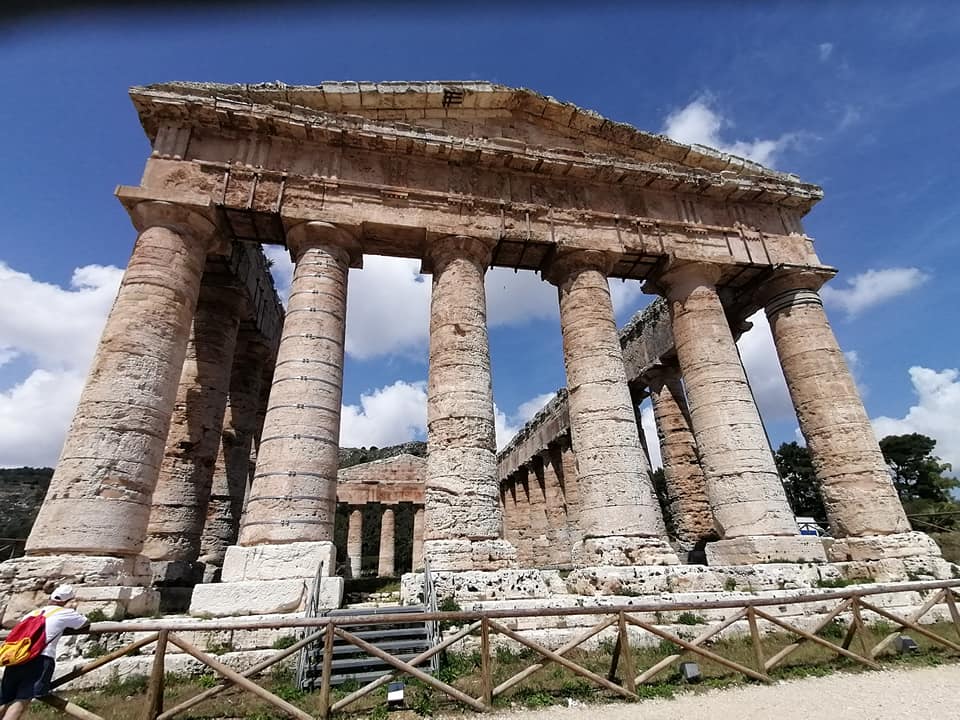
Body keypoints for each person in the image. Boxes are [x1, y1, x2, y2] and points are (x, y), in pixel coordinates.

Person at [0, 585, 88, 720]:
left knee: (5, 700)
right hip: (40, 659)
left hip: (17, 658)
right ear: (68, 600)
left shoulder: (32, 614)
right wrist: (72, 607)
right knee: (21, 701)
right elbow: (84, 623)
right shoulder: (65, 612)